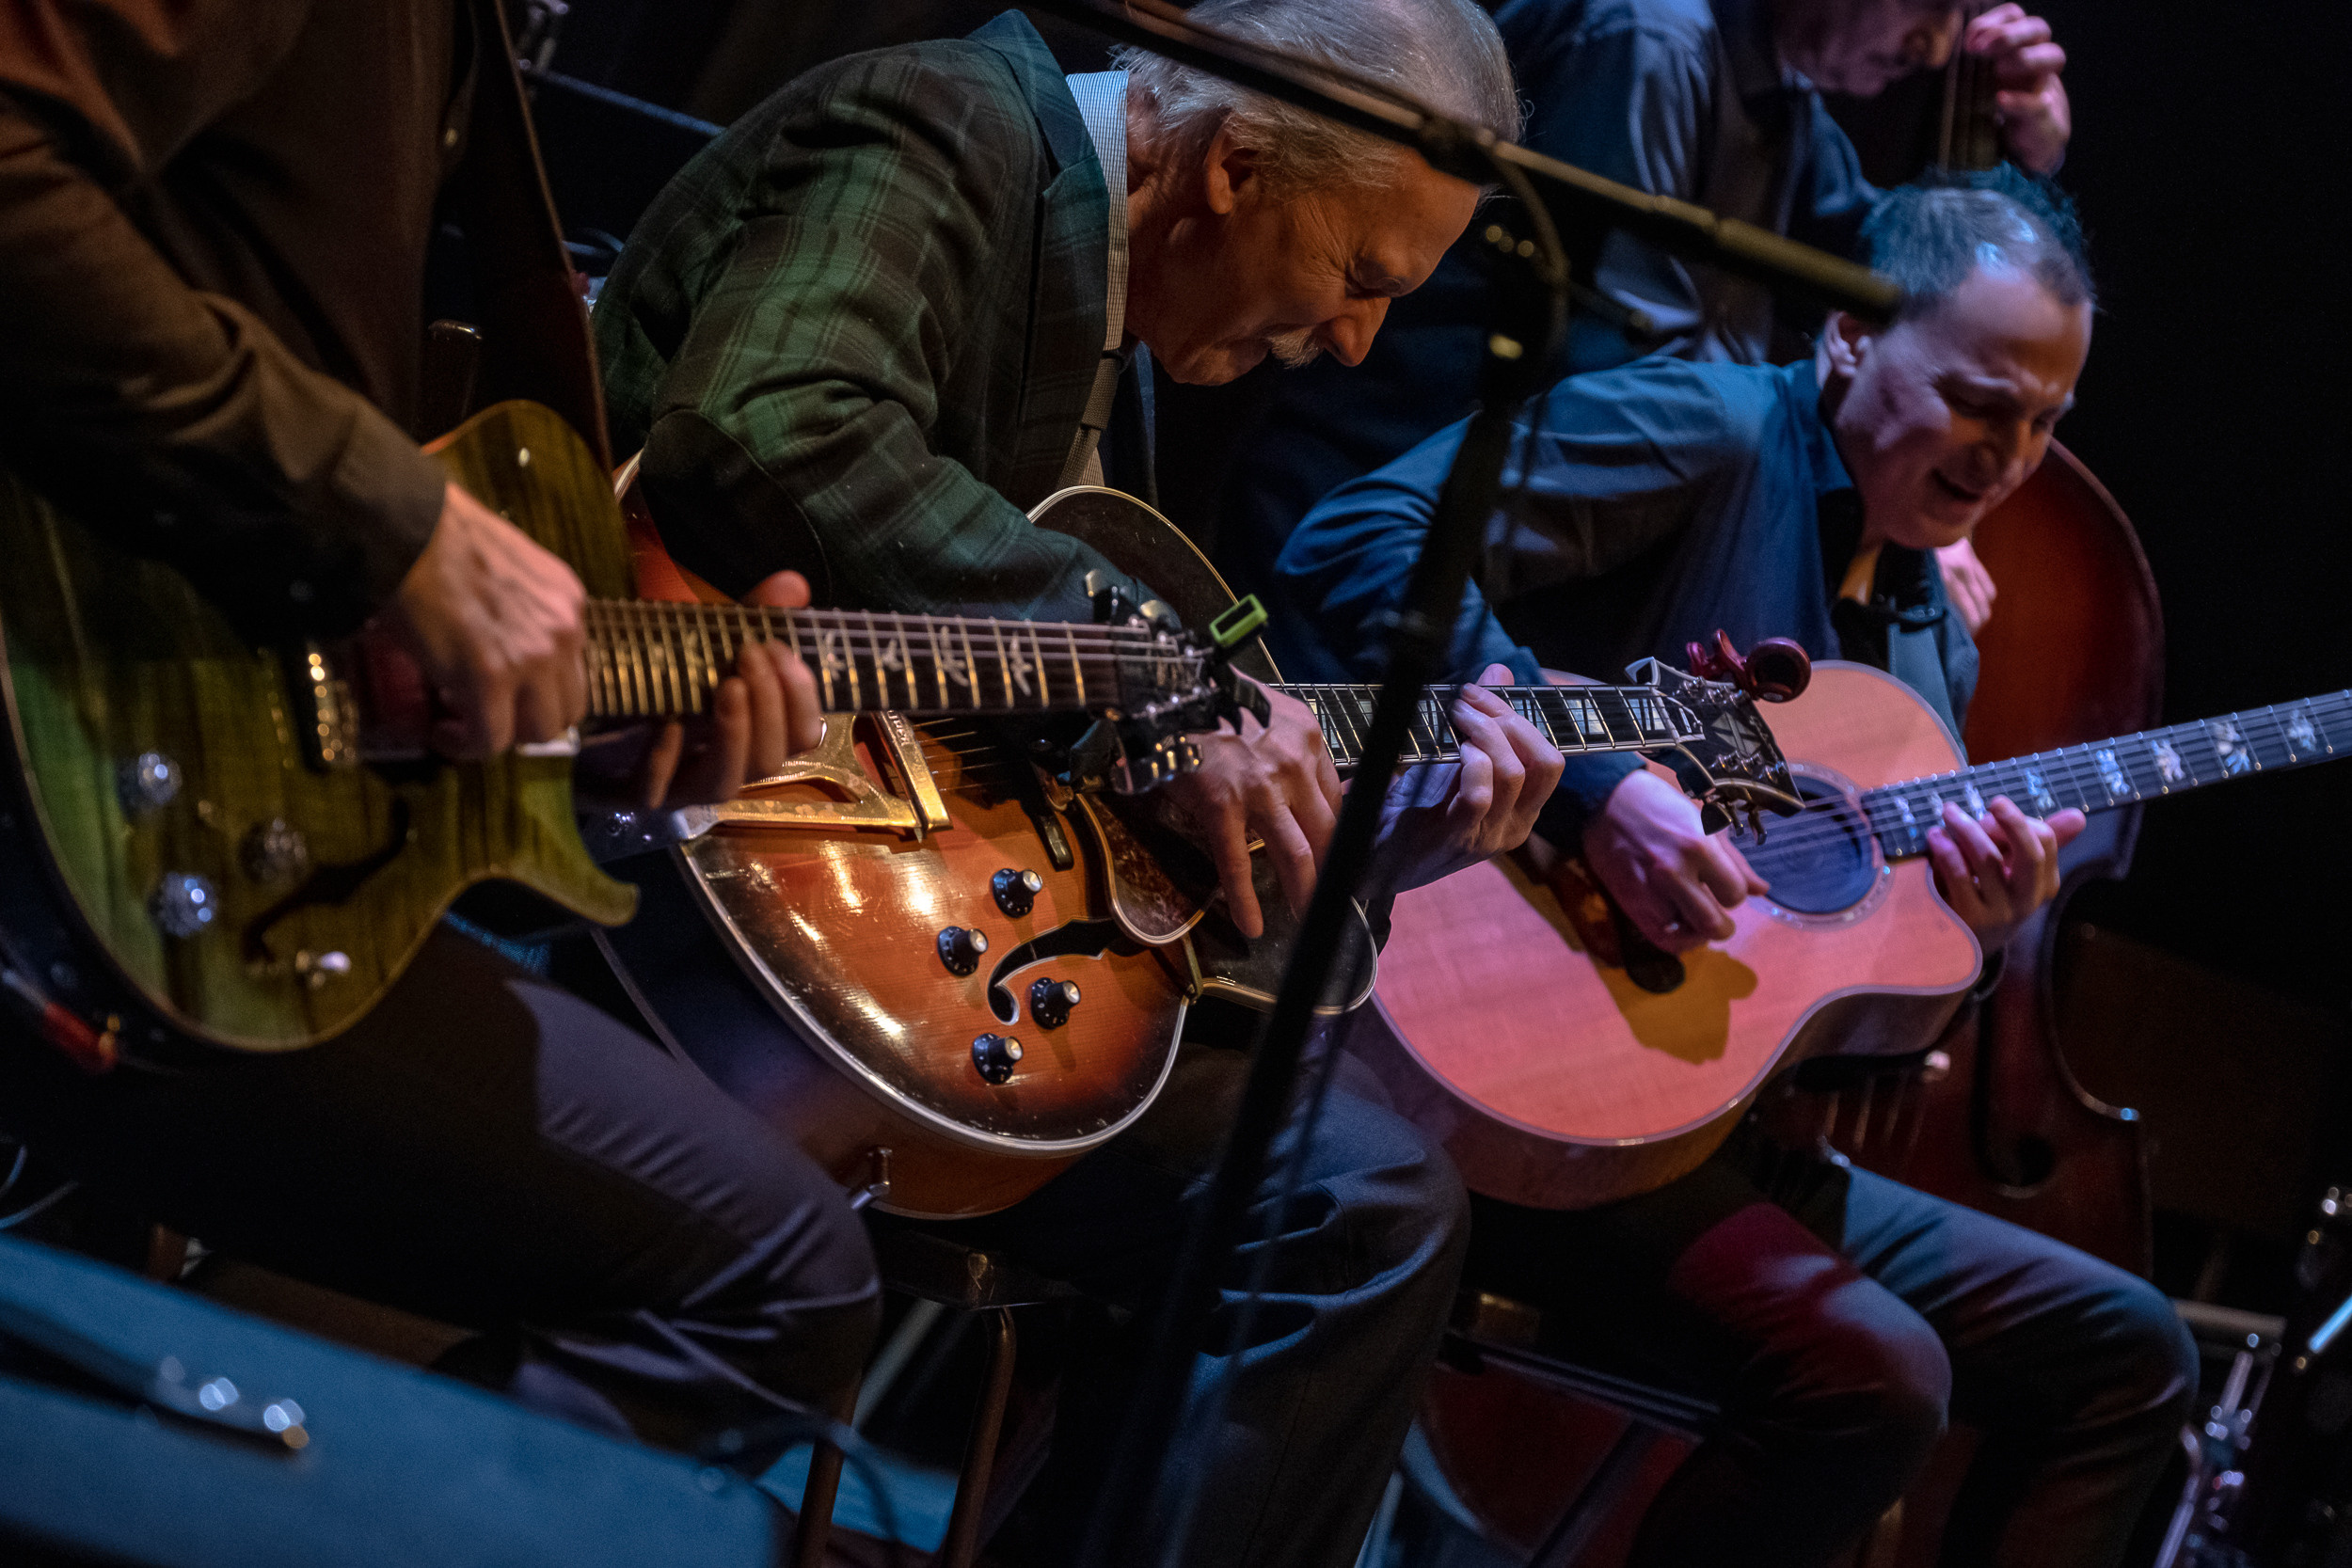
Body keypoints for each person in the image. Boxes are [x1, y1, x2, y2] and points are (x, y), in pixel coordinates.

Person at [593, 4, 1563, 1562]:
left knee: (1355, 1197)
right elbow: (771, 421)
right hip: (688, 833)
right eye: (1361, 279)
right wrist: (1164, 669)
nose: (1359, 344)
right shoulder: (945, 127)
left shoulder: (1143, 314)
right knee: (1348, 1208)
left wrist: (1366, 838)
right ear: (1236, 165)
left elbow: (1081, 715)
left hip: (920, 928)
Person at [0, 0, 882, 1468]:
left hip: (200, 792)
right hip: (67, 792)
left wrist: (589, 749)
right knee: (774, 1276)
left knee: (780, 1257)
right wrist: (394, 525)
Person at [1279, 179, 2200, 1567]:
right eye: (1974, 399)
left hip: (1692, 1117)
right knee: (1873, 1376)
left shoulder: (1933, 636)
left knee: (2131, 1347)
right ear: (1848, 340)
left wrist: (1976, 938)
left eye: (2045, 421)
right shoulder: (1710, 429)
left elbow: (1818, 1008)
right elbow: (1356, 543)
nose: (2008, 454)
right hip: (1473, 1061)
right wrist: (1598, 790)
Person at [1189, 0, 2070, 677]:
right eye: (1934, 7)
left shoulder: (1786, 109)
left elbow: (1922, 289)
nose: (1941, 45)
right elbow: (1631, 363)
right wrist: (1881, 494)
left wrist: (2015, 164)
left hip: (1495, 561)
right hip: (1377, 528)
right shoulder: (1652, 41)